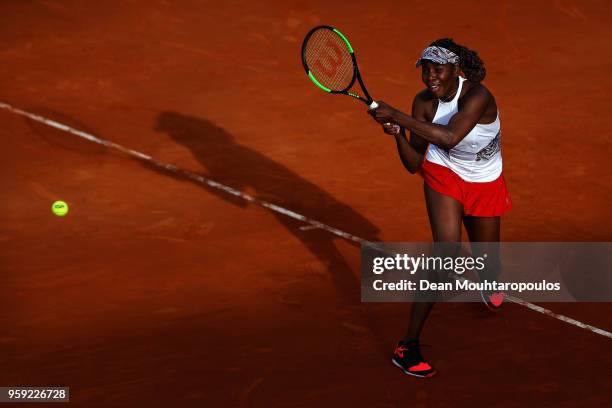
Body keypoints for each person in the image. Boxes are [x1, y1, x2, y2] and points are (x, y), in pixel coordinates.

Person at [368, 38, 512, 378]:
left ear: (456, 70)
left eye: (439, 68)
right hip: (444, 173)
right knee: (444, 253)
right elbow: (414, 162)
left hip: (485, 179)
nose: (431, 75)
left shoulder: (478, 96)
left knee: (488, 261)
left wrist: (398, 116)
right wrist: (398, 133)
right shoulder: (423, 103)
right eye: (426, 68)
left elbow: (449, 137)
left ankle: (488, 277)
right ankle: (408, 346)